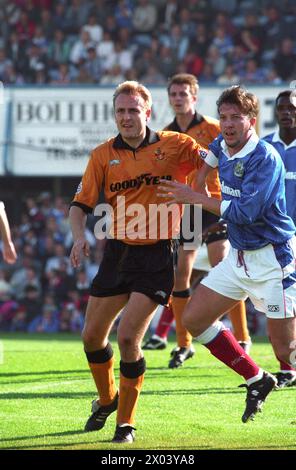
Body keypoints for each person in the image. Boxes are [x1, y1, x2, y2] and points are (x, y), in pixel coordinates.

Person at [69, 80, 208, 443]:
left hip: (157, 254)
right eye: (121, 111)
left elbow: (212, 158)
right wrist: (78, 237)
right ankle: (106, 400)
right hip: (117, 252)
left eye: (134, 110)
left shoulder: (175, 145)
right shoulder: (102, 154)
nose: (127, 117)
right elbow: (80, 204)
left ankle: (125, 424)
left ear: (148, 112)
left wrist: (199, 190)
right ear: (114, 114)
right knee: (91, 338)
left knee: (129, 336)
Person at [158, 85, 296, 422]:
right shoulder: (223, 140)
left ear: (251, 121)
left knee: (285, 350)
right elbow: (210, 154)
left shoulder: (265, 158)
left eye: (236, 117)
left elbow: (244, 213)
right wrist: (201, 181)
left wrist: (196, 197)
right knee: (193, 319)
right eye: (224, 117)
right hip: (238, 258)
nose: (228, 123)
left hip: (272, 260)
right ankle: (256, 378)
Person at [143, 74, 251, 369]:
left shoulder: (214, 128)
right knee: (180, 272)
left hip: (215, 204)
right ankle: (183, 343)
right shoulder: (165, 135)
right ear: (169, 98)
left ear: (195, 96)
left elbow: (235, 161)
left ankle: (242, 338)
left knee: (223, 263)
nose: (178, 98)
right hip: (189, 208)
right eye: (174, 93)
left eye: (183, 93)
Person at [263, 90, 296, 388]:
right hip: (274, 241)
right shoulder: (263, 147)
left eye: (292, 107)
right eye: (281, 107)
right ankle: (288, 367)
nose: (286, 112)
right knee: (281, 303)